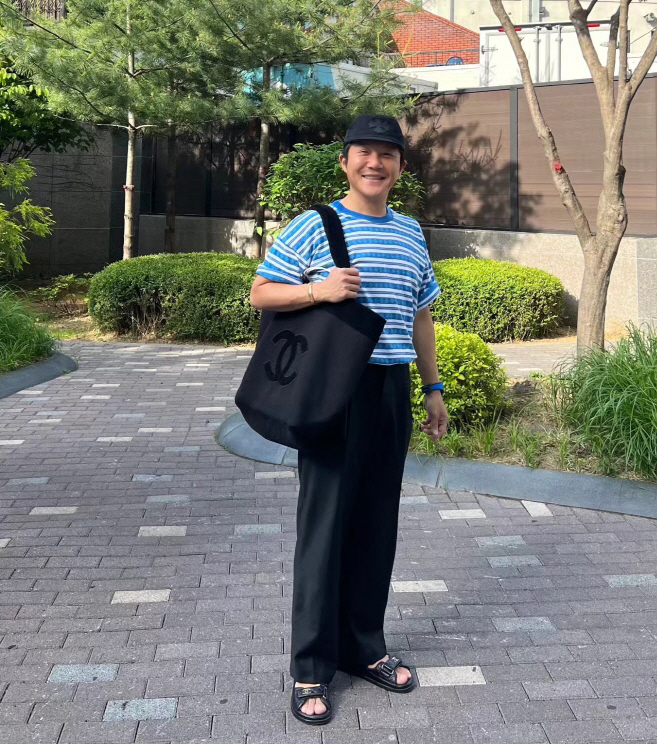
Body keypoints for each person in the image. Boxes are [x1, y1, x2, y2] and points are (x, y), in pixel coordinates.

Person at [249, 114, 449, 726]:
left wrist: (433, 388)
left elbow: (421, 315)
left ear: (400, 167)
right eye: (364, 151)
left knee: (376, 524)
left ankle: (364, 647)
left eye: (387, 154)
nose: (374, 162)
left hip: (390, 388)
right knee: (325, 527)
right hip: (334, 392)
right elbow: (261, 292)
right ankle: (311, 665)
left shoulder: (411, 232)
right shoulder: (315, 225)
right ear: (344, 161)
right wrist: (320, 291)